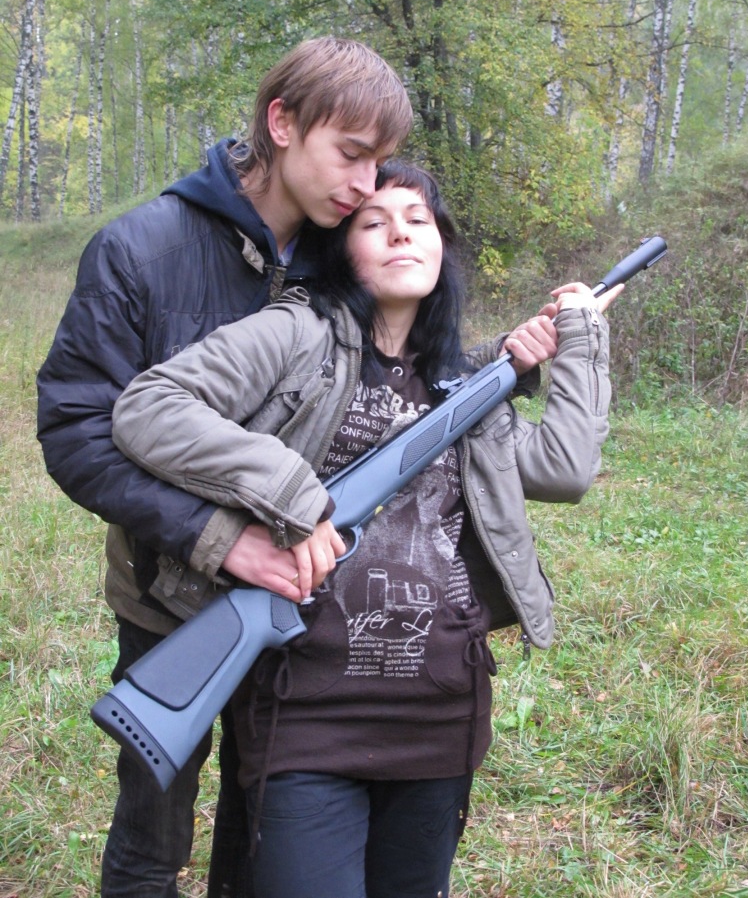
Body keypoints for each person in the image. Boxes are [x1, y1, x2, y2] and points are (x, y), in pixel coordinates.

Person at [36, 40, 558, 898]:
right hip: (172, 593)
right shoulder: (142, 249)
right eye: (350, 155)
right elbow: (78, 432)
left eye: (378, 162)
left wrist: (506, 363)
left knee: (268, 817)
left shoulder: (334, 246)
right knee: (155, 827)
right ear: (281, 123)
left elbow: (396, 363)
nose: (365, 184)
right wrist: (222, 538)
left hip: (308, 611)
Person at [109, 159, 622, 898]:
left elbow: (564, 469)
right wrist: (294, 494)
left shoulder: (463, 385)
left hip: (437, 712)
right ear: (340, 247)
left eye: (418, 220)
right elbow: (150, 408)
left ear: (443, 246)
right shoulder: (296, 334)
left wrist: (580, 335)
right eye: (374, 222)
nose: (400, 235)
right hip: (306, 715)